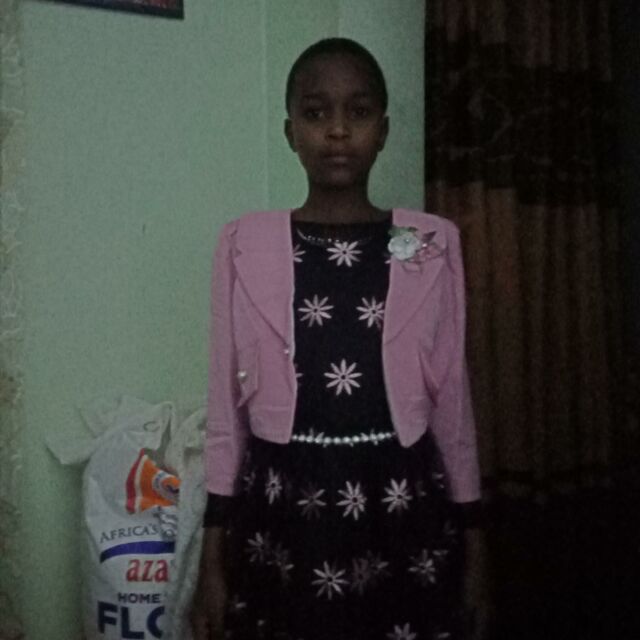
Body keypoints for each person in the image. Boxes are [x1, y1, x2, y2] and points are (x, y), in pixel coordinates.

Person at [191, 37, 487, 640]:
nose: (337, 130)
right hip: (282, 509)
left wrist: (477, 547)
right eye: (315, 111)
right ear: (290, 131)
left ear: (383, 130)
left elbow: (454, 407)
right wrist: (211, 556)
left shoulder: (427, 244)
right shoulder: (245, 244)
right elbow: (225, 413)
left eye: (358, 111)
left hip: (401, 507)